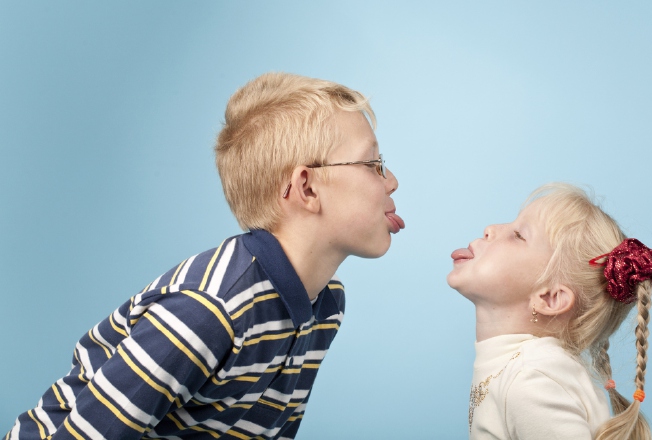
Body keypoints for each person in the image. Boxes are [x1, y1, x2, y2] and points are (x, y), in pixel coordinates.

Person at [6, 72, 404, 440]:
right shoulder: (206, 311)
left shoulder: (326, 305)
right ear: (307, 188)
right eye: (373, 164)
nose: (392, 181)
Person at [448, 183, 652, 440]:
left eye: (519, 235)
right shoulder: (522, 368)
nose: (491, 229)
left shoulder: (532, 380)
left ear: (550, 298)